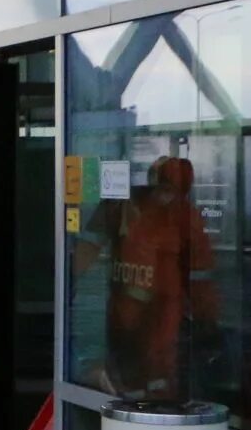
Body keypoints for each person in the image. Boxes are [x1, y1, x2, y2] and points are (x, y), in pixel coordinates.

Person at [73, 156, 219, 401]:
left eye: (173, 190)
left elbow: (201, 278)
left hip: (162, 318)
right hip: (124, 316)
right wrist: (70, 280)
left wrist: (208, 321)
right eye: (163, 187)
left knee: (157, 380)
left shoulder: (185, 217)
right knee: (128, 380)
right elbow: (87, 249)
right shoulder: (121, 205)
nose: (166, 196)